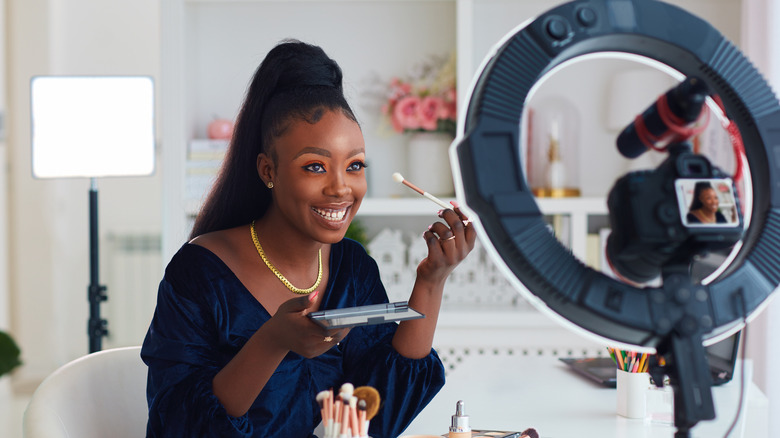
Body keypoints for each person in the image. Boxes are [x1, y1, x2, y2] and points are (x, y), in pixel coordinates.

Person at [141, 40, 476, 438]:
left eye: (354, 165)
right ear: (269, 170)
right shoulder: (199, 274)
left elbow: (380, 416)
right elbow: (177, 425)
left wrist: (432, 279)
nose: (341, 188)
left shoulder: (352, 268)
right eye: (315, 166)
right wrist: (272, 341)